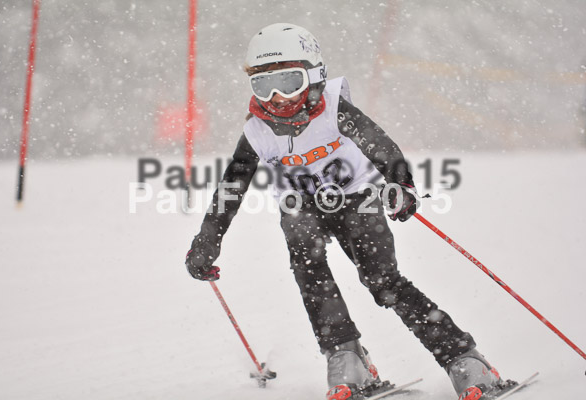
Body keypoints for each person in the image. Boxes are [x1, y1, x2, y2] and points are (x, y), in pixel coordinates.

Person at [186, 23, 514, 400]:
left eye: (289, 82)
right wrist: (206, 241)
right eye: (263, 86)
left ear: (314, 76)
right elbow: (232, 187)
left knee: (383, 283)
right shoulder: (259, 131)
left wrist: (401, 185)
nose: (277, 97)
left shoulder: (335, 111)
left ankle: (463, 358)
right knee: (308, 269)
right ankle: (345, 356)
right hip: (299, 206)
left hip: (358, 199)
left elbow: (382, 147)